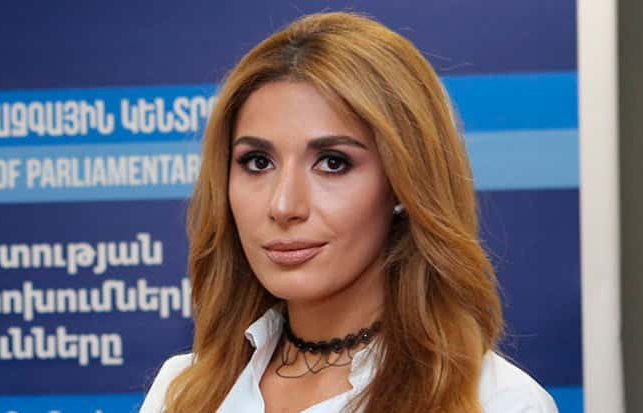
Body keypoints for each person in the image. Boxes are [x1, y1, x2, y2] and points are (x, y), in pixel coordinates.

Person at [140, 11, 558, 413]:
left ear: (404, 183)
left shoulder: (498, 402)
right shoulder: (182, 391)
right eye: (258, 162)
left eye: (332, 163)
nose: (283, 206)